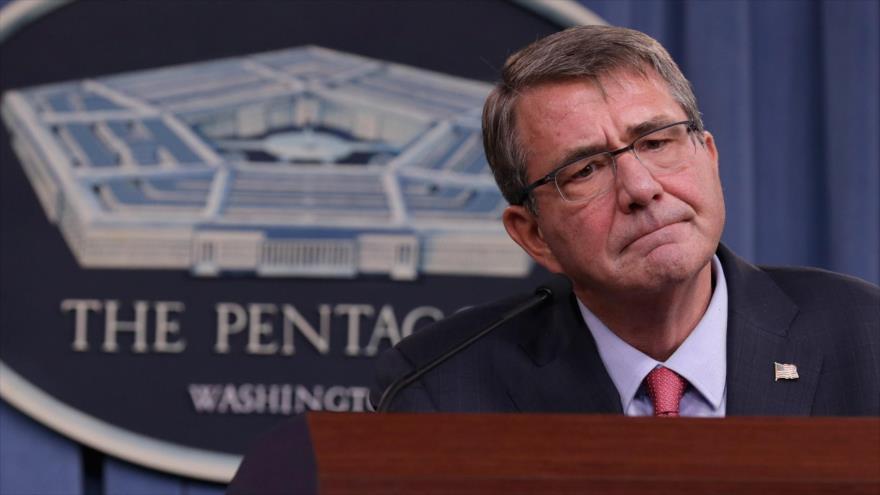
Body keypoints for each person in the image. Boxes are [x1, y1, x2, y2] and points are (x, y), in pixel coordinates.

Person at [371, 25, 879, 416]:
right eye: (586, 168)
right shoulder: (443, 387)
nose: (641, 188)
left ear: (709, 157)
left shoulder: (863, 336)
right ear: (534, 235)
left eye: (657, 142)